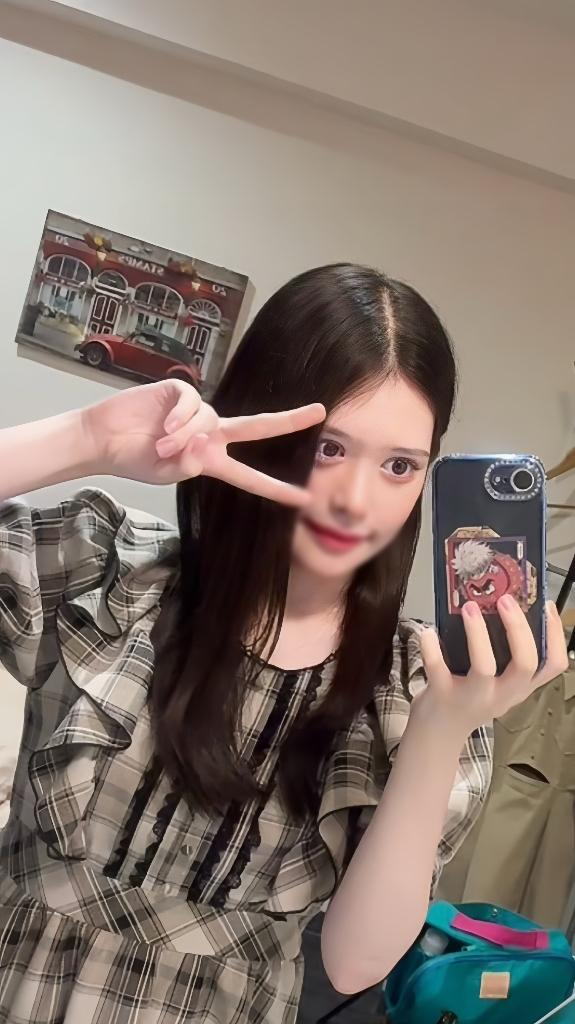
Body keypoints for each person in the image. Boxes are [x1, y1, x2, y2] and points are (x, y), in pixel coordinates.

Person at [0, 264, 567, 1023]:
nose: (357, 500)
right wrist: (85, 440)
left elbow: (354, 962)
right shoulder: (106, 571)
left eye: (399, 466)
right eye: (329, 448)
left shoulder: (415, 687)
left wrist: (441, 730)